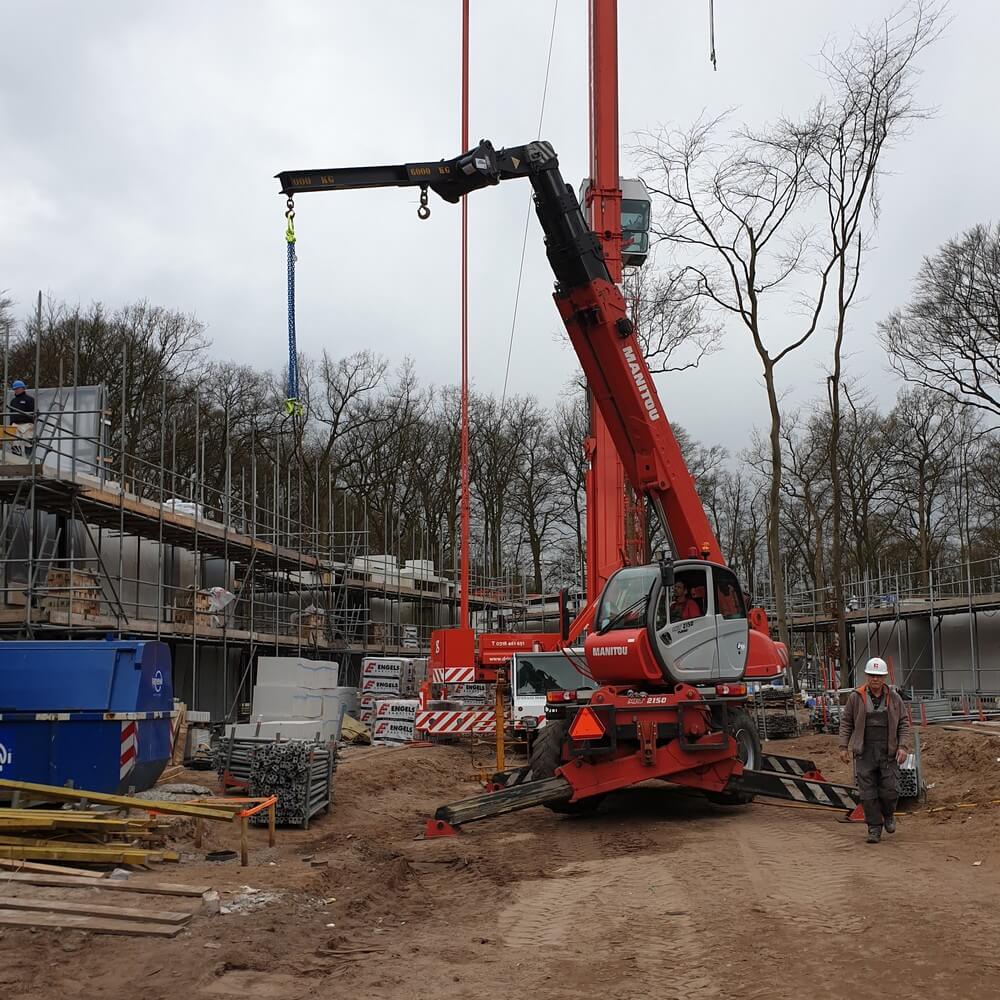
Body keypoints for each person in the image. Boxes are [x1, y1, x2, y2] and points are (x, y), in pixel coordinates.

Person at [839, 656, 912, 844]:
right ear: (866, 676)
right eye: (872, 675)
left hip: (888, 752)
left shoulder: (894, 698)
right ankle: (874, 828)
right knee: (867, 794)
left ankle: (888, 815)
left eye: (879, 676)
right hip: (865, 752)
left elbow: (904, 722)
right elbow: (846, 722)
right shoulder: (856, 697)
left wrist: (903, 746)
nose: (875, 679)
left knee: (891, 790)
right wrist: (843, 747)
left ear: (885, 677)